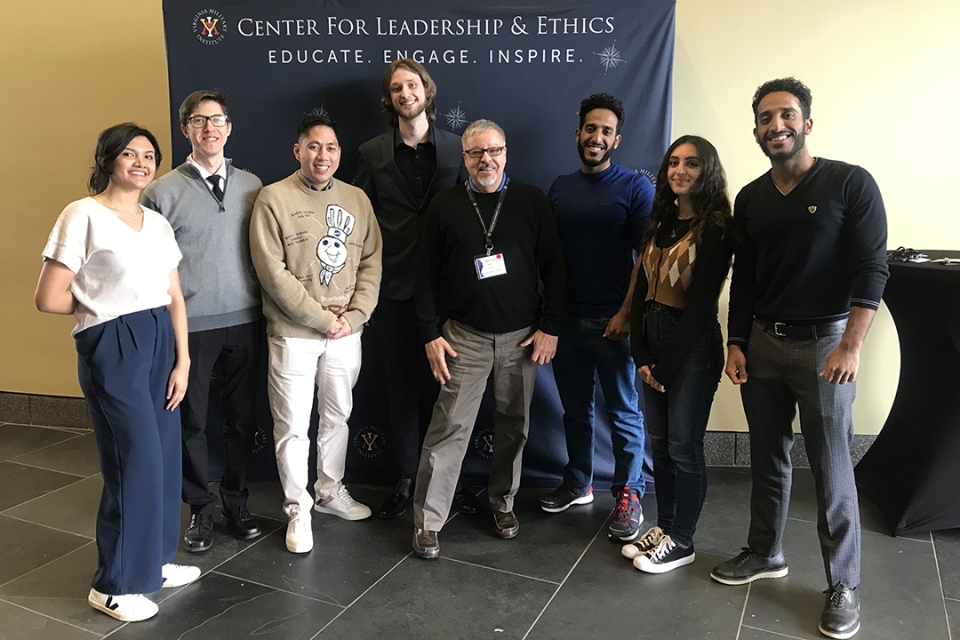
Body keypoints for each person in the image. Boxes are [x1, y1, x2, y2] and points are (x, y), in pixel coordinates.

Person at [710, 78, 888, 640]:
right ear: (757, 130)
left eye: (786, 115)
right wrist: (735, 341)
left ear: (807, 122)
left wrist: (851, 346)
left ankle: (843, 585)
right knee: (768, 456)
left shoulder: (849, 183)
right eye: (765, 118)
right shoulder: (752, 198)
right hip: (763, 342)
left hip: (825, 347)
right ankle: (765, 551)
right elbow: (749, 277)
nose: (776, 125)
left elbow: (872, 269)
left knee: (832, 467)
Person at [35, 123, 200, 622]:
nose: (141, 161)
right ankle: (114, 585)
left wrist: (184, 359)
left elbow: (174, 295)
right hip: (115, 342)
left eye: (149, 154)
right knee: (135, 460)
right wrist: (107, 312)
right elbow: (49, 297)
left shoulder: (157, 222)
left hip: (161, 341)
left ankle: (154, 560)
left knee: (166, 458)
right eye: (129, 153)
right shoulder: (83, 214)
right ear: (108, 160)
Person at [411, 119, 566, 559]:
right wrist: (428, 334)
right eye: (476, 153)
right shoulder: (445, 206)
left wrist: (551, 326)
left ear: (505, 153)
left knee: (514, 426)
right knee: (449, 429)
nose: (486, 159)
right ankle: (428, 522)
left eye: (493, 150)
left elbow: (555, 268)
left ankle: (503, 503)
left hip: (522, 339)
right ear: (464, 158)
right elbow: (425, 277)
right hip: (464, 337)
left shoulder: (531, 201)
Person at [250, 114, 382, 554]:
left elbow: (371, 263)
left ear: (339, 154)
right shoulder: (273, 198)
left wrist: (356, 315)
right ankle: (297, 508)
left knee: (338, 415)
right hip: (295, 334)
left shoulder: (358, 199)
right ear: (297, 151)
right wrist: (323, 320)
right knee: (292, 426)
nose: (322, 156)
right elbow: (273, 274)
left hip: (347, 331)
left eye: (331, 148)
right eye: (313, 147)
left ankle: (329, 490)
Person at [142, 89, 264, 553]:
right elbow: (152, 267)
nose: (209, 128)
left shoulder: (254, 185)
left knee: (241, 419)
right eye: (198, 120)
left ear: (229, 128)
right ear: (185, 130)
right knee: (191, 421)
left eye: (217, 120)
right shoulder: (161, 192)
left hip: (247, 322)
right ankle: (199, 508)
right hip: (188, 326)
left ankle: (236, 501)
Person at [355, 59, 475, 520]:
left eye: (412, 84)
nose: (405, 93)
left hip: (453, 292)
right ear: (390, 99)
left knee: (454, 390)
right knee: (401, 388)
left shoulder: (457, 148)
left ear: (426, 90)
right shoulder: (370, 153)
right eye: (396, 88)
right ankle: (407, 476)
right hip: (395, 289)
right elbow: (358, 218)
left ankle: (454, 478)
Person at [622, 135, 734, 573]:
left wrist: (665, 366)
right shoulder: (658, 222)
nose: (679, 171)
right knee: (661, 447)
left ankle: (683, 541)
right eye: (673, 163)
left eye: (691, 163)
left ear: (707, 171)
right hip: (652, 339)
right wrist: (640, 354)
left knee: (684, 447)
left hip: (691, 349)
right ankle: (665, 527)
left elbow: (702, 304)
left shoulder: (717, 227)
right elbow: (641, 293)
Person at [545, 93, 653, 543]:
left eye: (606, 131)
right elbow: (549, 260)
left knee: (625, 412)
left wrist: (627, 313)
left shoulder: (634, 187)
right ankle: (579, 481)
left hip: (616, 324)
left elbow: (648, 258)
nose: (597, 137)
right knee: (576, 411)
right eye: (590, 128)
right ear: (578, 134)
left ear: (616, 139)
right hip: (568, 322)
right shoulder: (560, 187)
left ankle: (629, 493)